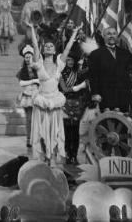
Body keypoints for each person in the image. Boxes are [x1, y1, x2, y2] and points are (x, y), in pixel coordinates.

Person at [27, 21, 80, 163]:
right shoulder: (39, 63)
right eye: (46, 46)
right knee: (41, 132)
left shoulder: (59, 63)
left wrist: (74, 33)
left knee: (55, 132)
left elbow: (68, 48)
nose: (49, 47)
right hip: (42, 101)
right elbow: (34, 44)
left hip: (55, 101)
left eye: (51, 46)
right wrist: (32, 28)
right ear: (43, 51)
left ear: (55, 50)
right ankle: (43, 157)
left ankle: (53, 158)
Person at [87, 27, 132, 113]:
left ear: (117, 36)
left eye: (114, 34)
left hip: (123, 94)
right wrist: (95, 93)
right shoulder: (95, 54)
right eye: (109, 34)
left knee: (124, 122)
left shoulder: (124, 52)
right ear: (104, 36)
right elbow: (93, 75)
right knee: (107, 123)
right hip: (105, 95)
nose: (112, 36)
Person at [59, 51, 88, 164]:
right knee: (67, 130)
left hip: (77, 104)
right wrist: (80, 86)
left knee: (75, 130)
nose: (70, 62)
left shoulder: (79, 73)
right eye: (68, 60)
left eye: (72, 60)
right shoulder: (61, 73)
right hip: (65, 103)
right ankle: (67, 153)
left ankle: (74, 155)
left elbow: (89, 70)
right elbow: (65, 89)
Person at [16, 45, 40, 149]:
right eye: (26, 57)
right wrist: (34, 81)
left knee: (38, 119)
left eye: (29, 56)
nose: (28, 58)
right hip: (27, 95)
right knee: (29, 119)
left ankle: (37, 138)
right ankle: (29, 139)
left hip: (37, 94)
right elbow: (21, 83)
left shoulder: (38, 68)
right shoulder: (22, 70)